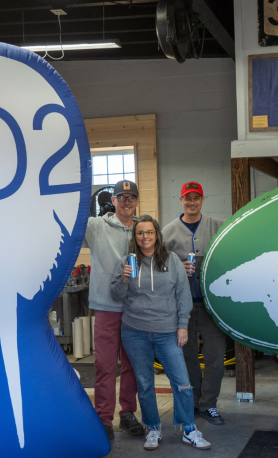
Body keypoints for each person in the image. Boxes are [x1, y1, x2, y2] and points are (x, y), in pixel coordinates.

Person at [111, 215, 212, 451]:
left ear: (156, 234)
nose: (145, 237)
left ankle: (189, 429)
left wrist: (182, 325)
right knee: (145, 383)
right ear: (135, 237)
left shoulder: (172, 260)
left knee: (182, 382)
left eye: (149, 232)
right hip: (134, 331)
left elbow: (182, 295)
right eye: (140, 233)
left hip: (167, 331)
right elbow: (117, 295)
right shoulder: (128, 260)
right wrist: (124, 278)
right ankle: (153, 428)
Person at [162, 181, 227, 425]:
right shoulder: (167, 232)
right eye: (187, 198)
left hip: (212, 306)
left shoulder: (218, 226)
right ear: (181, 200)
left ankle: (209, 404)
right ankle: (193, 402)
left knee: (215, 356)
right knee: (187, 356)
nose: (192, 202)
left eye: (196, 198)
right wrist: (176, 265)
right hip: (182, 308)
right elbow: (157, 268)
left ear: (202, 199)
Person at [83, 180, 144, 440]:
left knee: (132, 365)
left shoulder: (144, 229)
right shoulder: (95, 226)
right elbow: (66, 221)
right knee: (105, 365)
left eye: (131, 197)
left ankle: (128, 413)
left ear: (136, 201)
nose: (126, 201)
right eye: (122, 197)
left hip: (137, 308)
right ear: (114, 200)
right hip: (107, 307)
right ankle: (103, 419)